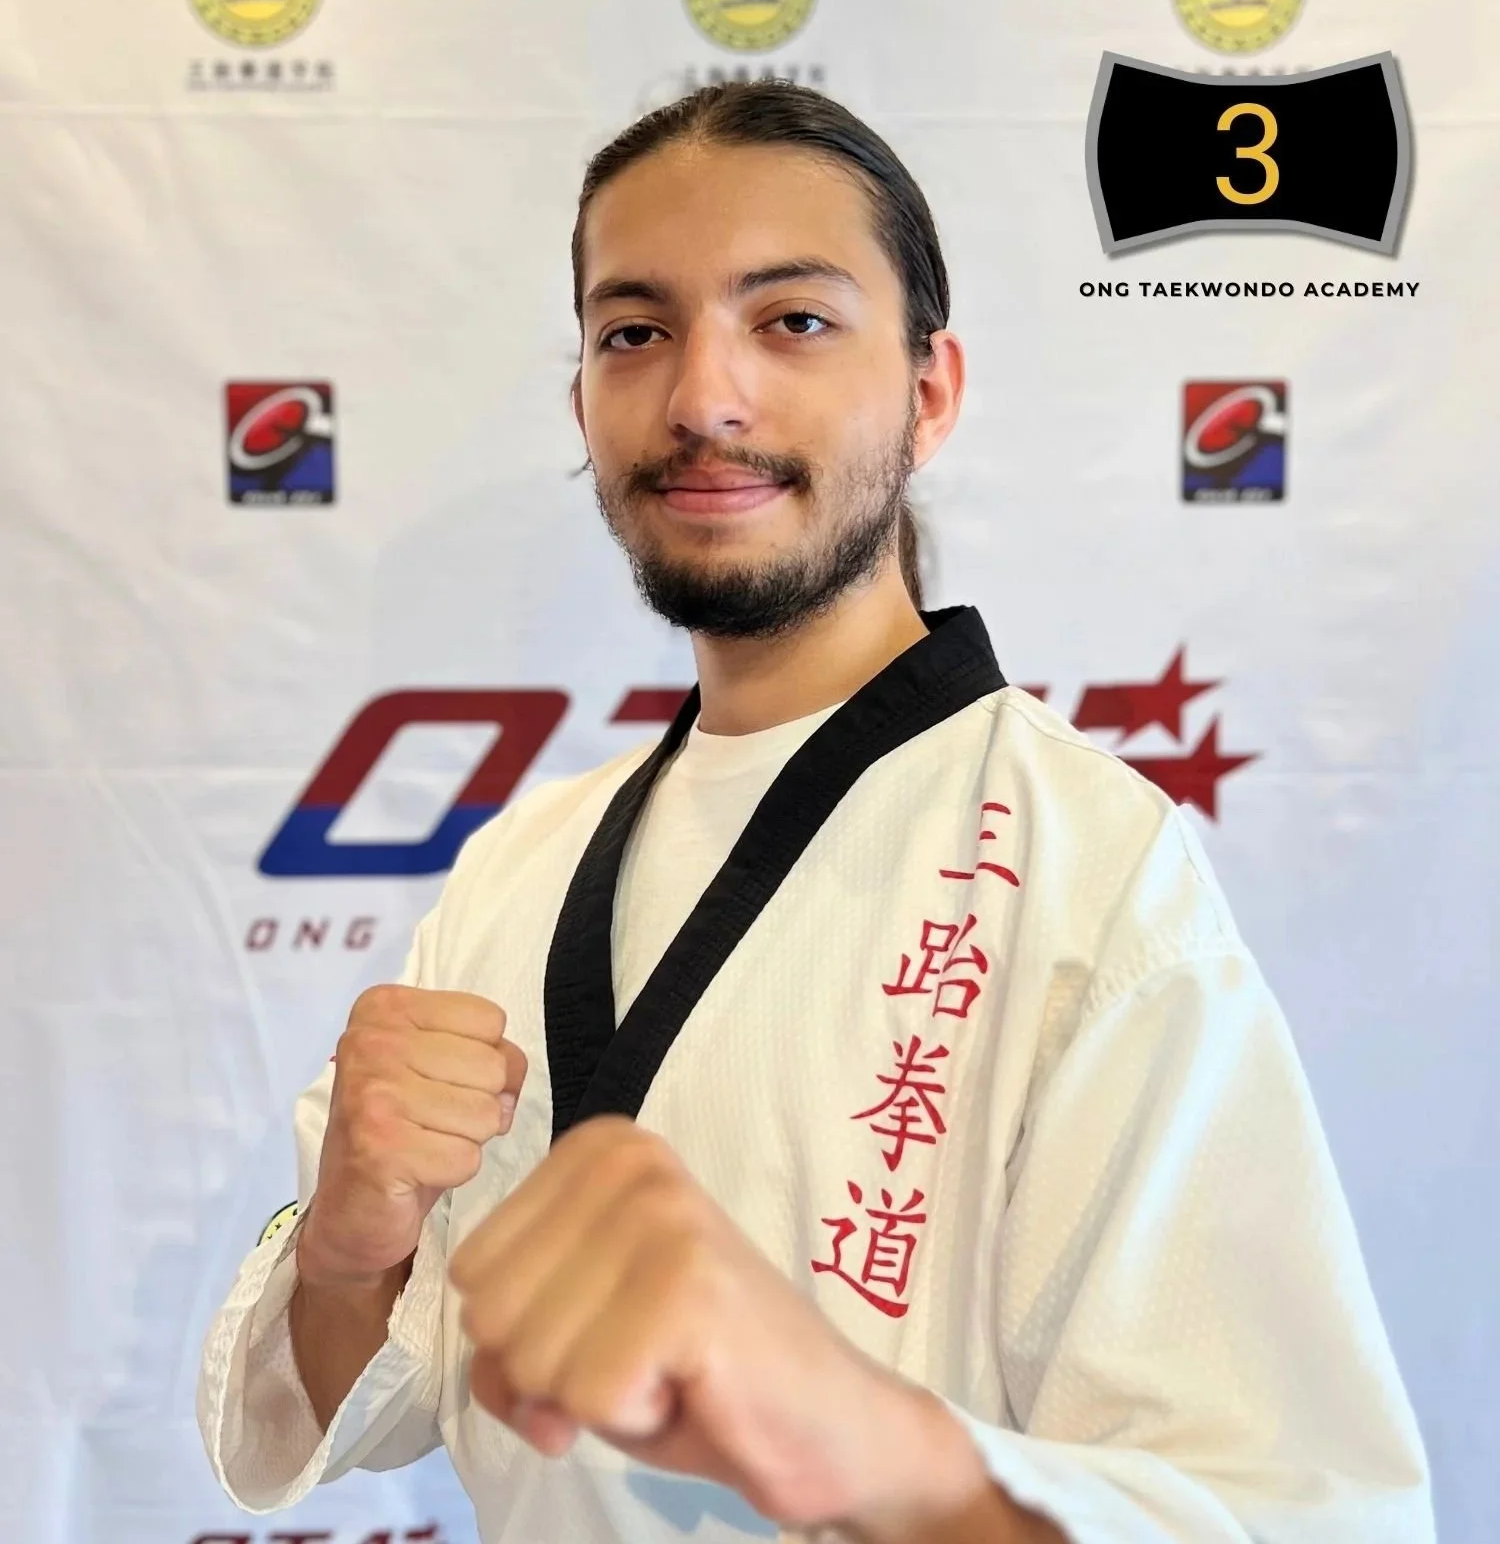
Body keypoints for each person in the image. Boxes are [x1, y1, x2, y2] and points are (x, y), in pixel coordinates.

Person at [198, 81, 1434, 1544]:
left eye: (791, 321)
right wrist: (348, 1255)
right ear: (582, 399)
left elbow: (1301, 1514)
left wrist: (859, 1436)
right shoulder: (515, 869)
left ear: (928, 389)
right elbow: (330, 1415)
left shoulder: (1086, 867)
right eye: (634, 331)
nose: (703, 398)